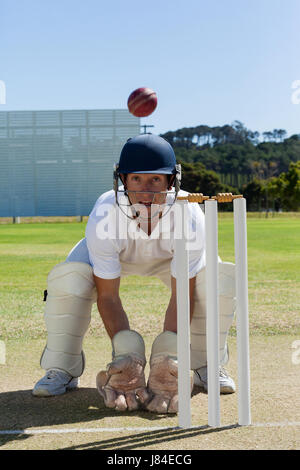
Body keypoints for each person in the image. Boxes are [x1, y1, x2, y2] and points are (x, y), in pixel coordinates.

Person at [32, 134, 236, 413]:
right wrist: (127, 355)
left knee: (216, 283)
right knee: (69, 282)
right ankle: (62, 367)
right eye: (137, 179)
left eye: (155, 179)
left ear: (171, 181)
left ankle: (205, 365)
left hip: (170, 260)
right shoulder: (106, 213)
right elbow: (109, 297)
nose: (145, 190)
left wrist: (169, 357)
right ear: (123, 180)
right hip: (119, 258)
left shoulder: (189, 215)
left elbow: (182, 296)